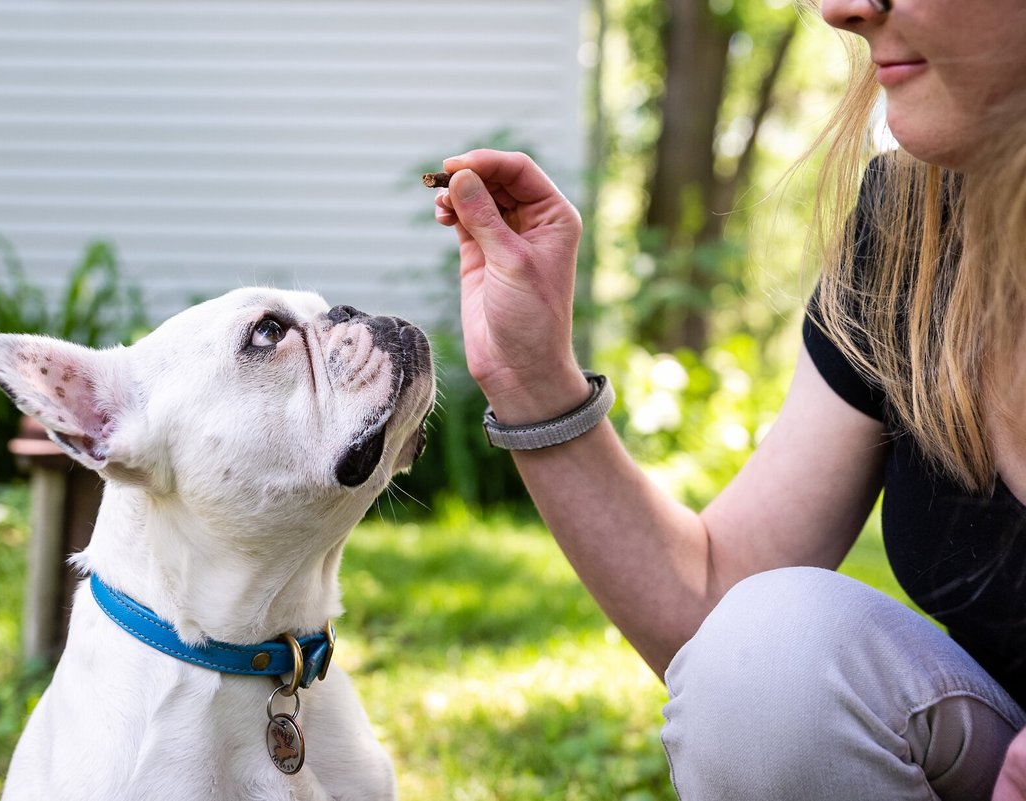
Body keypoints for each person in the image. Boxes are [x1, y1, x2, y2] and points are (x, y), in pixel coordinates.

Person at [431, 0, 1026, 798]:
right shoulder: (910, 234)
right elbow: (712, 613)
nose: (841, 8)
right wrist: (533, 375)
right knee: (771, 655)